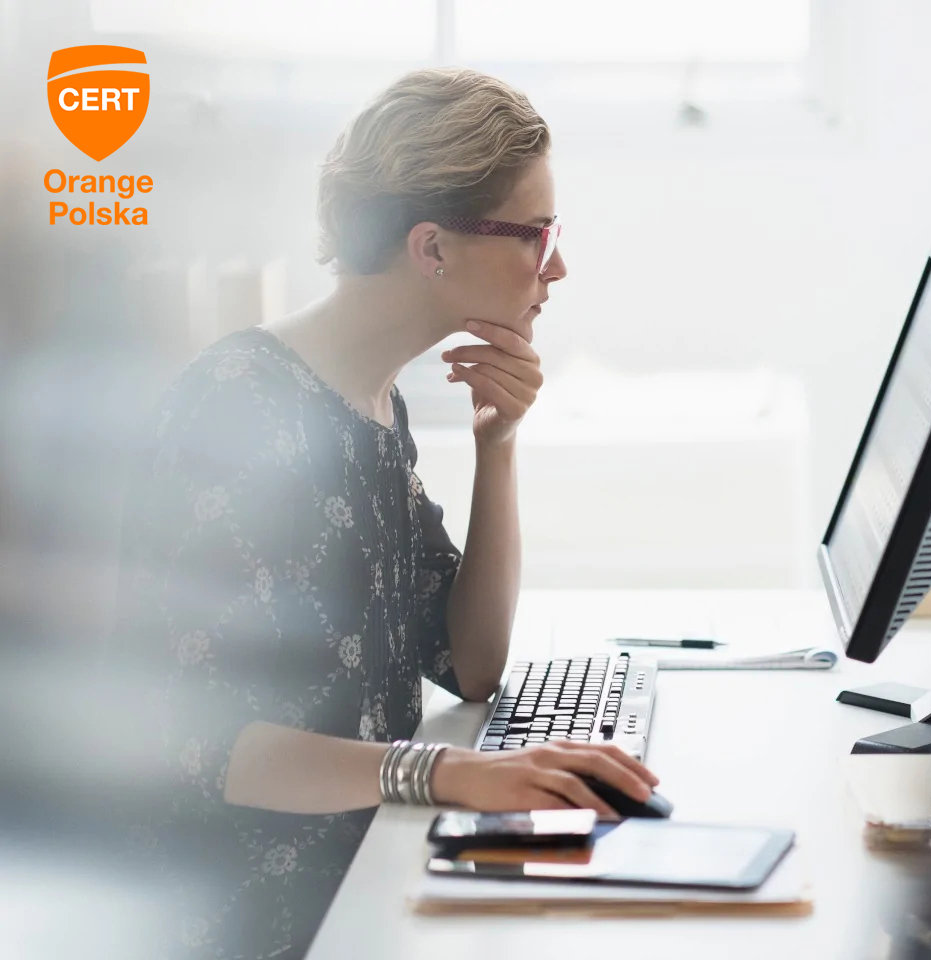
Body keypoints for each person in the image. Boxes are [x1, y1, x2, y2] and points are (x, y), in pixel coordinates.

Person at [110, 67, 659, 959]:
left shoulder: (371, 401)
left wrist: (497, 447)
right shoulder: (242, 407)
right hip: (247, 925)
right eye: (538, 233)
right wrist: (449, 774)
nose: (557, 265)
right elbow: (197, 741)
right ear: (432, 247)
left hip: (360, 886)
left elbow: (471, 664)